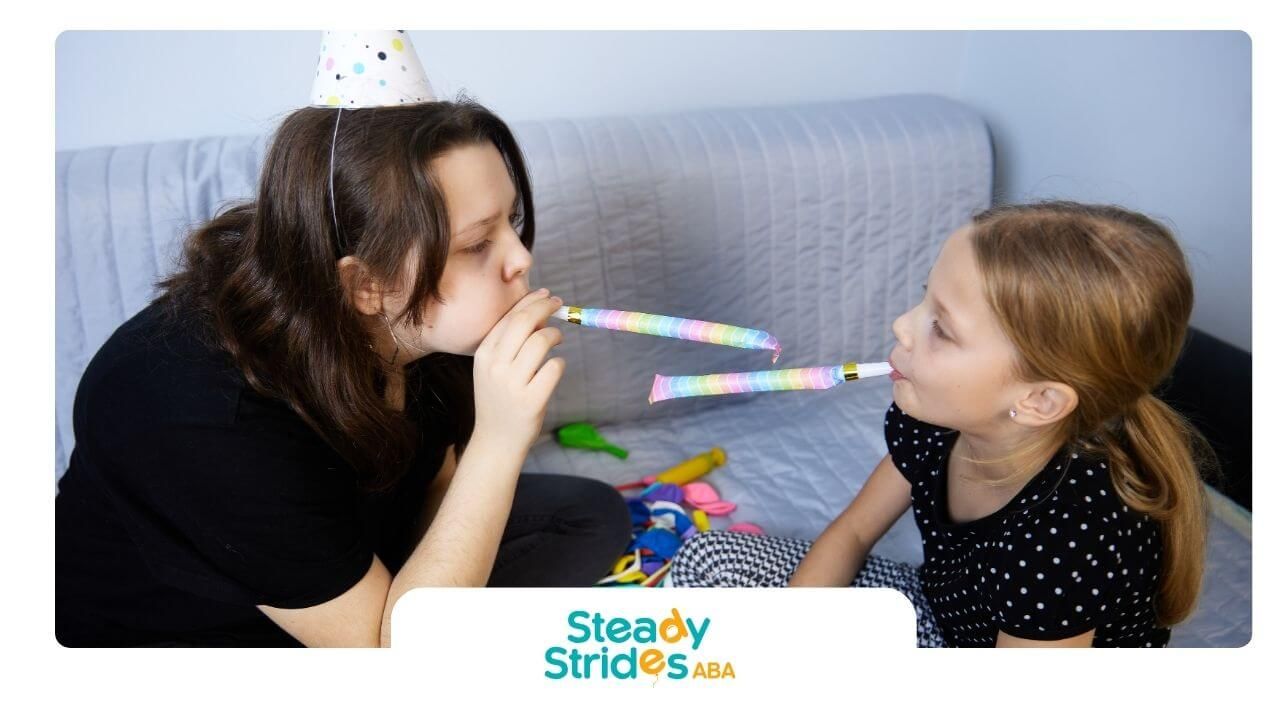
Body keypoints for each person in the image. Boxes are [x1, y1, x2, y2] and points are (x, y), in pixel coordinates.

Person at [55, 97, 632, 648]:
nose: (521, 258)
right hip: (192, 628)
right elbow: (388, 654)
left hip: (355, 549)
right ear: (365, 285)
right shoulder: (201, 414)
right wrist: (500, 442)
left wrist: (431, 569)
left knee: (588, 517)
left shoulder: (431, 325)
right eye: (478, 242)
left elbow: (434, 484)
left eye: (511, 220)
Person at [668, 201, 1212, 648]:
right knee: (710, 559)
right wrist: (786, 642)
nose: (902, 325)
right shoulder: (930, 422)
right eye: (923, 297)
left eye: (942, 329)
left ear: (1039, 399)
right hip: (939, 617)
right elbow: (854, 532)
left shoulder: (1067, 533)